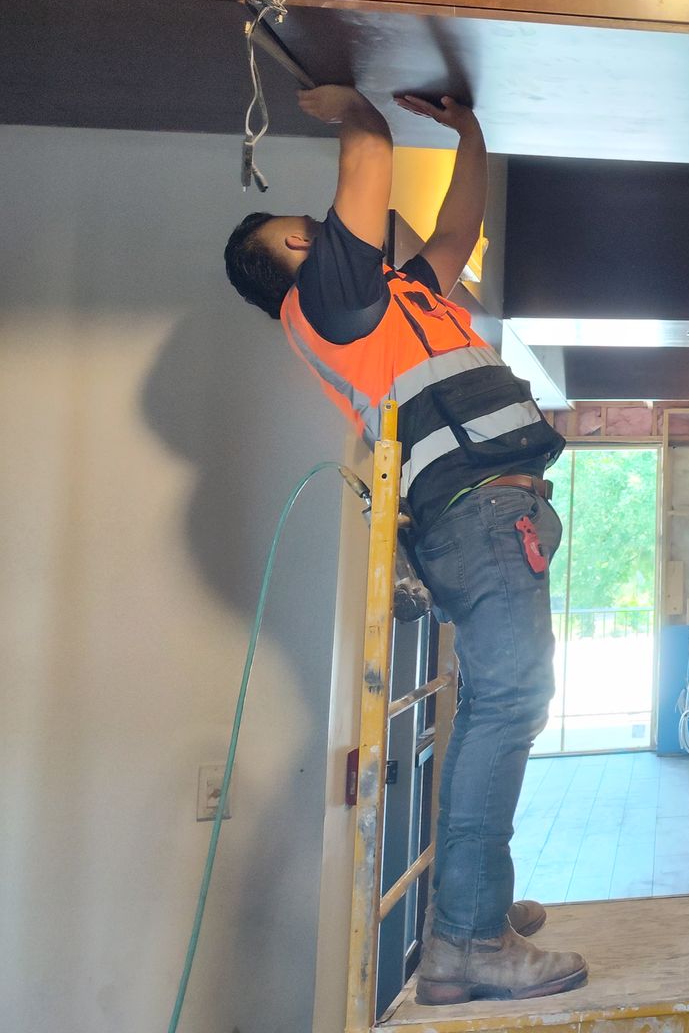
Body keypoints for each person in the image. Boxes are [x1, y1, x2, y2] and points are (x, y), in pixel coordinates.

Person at [222, 84, 585, 1006]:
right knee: (508, 707)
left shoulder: (393, 300)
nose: (325, 226)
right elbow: (368, 161)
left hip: (489, 513)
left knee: (496, 710)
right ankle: (467, 938)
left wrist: (471, 132)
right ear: (300, 253)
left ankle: (476, 907)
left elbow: (457, 233)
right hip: (475, 512)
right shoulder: (330, 301)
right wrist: (358, 106)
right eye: (309, 226)